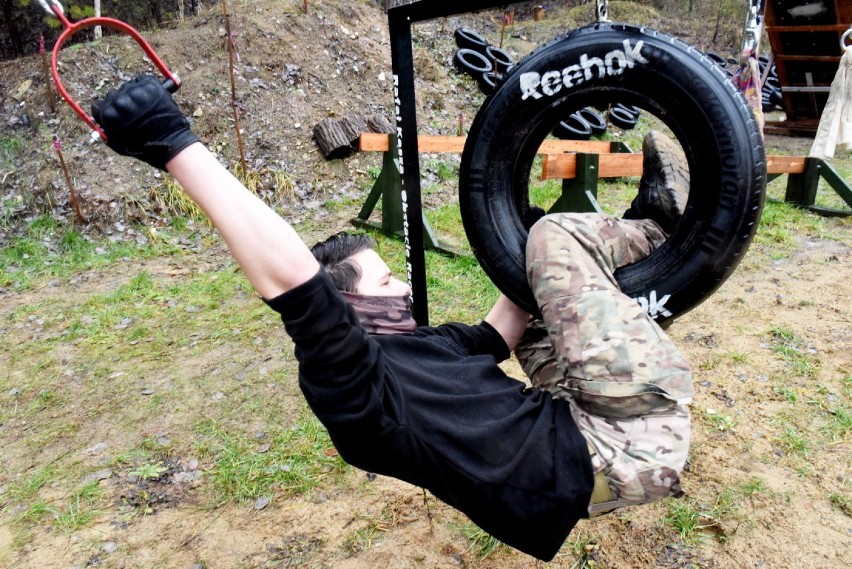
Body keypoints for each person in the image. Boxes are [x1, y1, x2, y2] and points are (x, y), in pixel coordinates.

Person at [91, 76, 692, 562]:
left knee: (542, 256)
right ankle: (661, 228)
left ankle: (633, 240)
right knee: (562, 236)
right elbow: (291, 281)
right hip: (622, 445)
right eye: (384, 282)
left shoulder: (428, 347)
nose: (403, 286)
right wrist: (174, 145)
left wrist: (521, 240)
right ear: (348, 309)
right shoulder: (361, 398)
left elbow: (502, 328)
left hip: (581, 420)